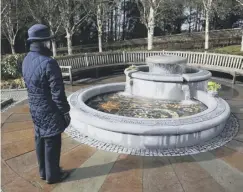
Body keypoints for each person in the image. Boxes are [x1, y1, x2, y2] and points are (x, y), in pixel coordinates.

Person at [22, 24, 71, 184]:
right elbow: (57, 93)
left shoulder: (26, 60)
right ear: (43, 42)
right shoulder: (49, 62)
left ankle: (43, 172)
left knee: (40, 138)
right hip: (49, 110)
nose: (50, 44)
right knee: (52, 141)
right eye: (49, 41)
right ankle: (53, 176)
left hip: (35, 108)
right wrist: (65, 112)